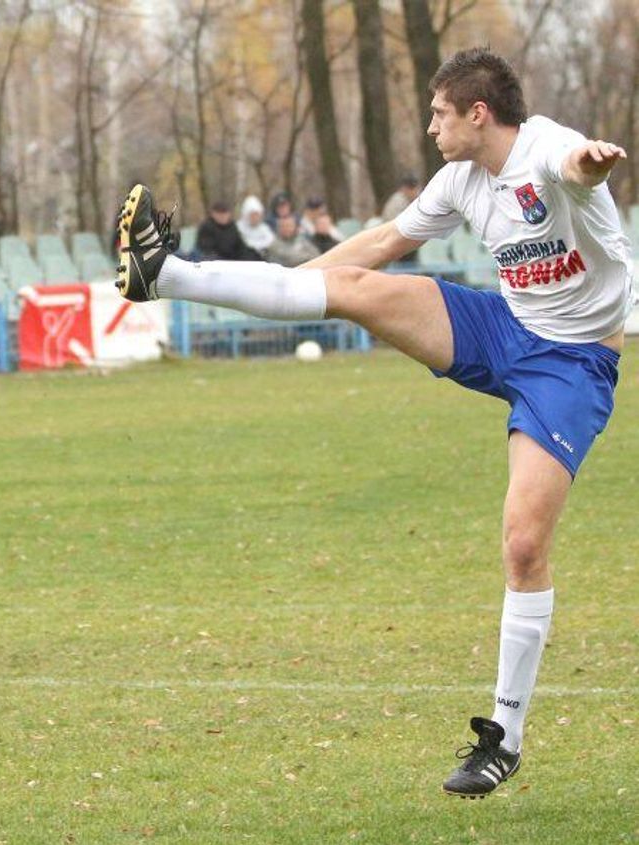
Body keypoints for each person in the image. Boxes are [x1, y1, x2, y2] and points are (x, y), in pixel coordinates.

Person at [115, 47, 632, 797]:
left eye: (439, 114)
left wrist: (592, 162)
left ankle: (505, 738)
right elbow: (382, 245)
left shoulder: (550, 148)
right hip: (504, 328)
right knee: (356, 283)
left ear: (477, 114)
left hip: (572, 364)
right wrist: (278, 286)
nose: (430, 127)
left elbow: (575, 172)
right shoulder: (462, 178)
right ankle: (168, 274)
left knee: (523, 544)